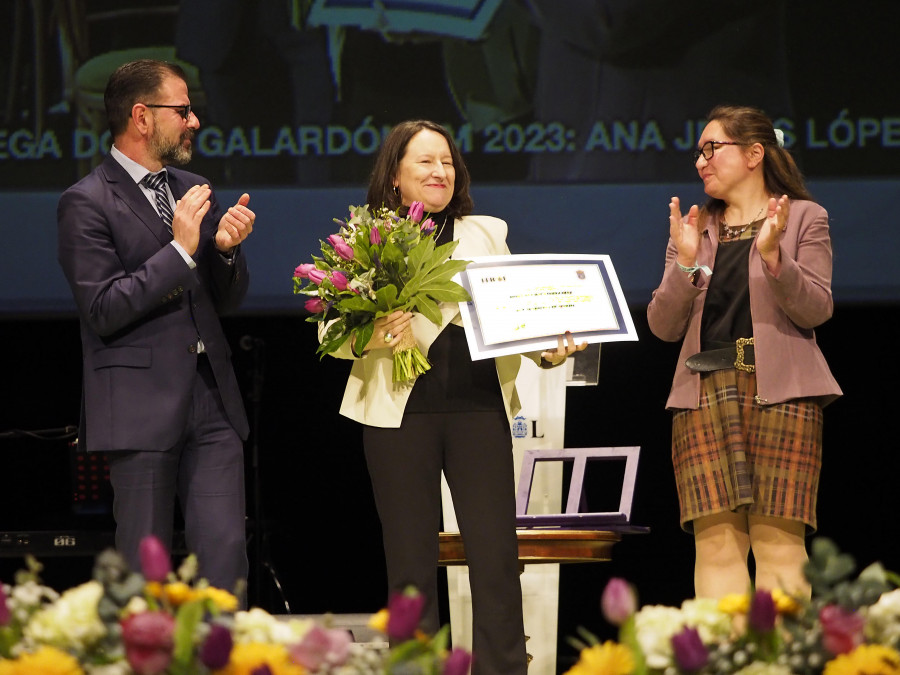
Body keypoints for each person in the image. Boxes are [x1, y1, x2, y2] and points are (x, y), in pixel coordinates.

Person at [326, 119, 584, 675]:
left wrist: (549, 352)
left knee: (496, 559)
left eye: (446, 161)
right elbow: (329, 334)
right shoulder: (365, 236)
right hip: (399, 416)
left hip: (478, 409)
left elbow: (519, 313)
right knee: (411, 567)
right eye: (424, 162)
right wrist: (371, 333)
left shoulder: (486, 232)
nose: (439, 171)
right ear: (395, 176)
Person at [57, 59, 255, 594]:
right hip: (139, 404)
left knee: (225, 554)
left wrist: (225, 254)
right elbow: (103, 307)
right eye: (183, 110)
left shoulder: (192, 188)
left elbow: (226, 300)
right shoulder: (86, 201)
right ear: (142, 117)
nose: (194, 121)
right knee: (145, 570)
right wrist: (180, 251)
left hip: (211, 398)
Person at [647, 105, 841, 599]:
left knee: (779, 548)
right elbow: (663, 326)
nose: (700, 161)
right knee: (716, 550)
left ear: (755, 153)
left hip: (782, 395)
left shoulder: (803, 217)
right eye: (698, 152)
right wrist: (686, 264)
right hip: (702, 396)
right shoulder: (694, 228)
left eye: (712, 149)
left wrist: (775, 256)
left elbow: (816, 308)